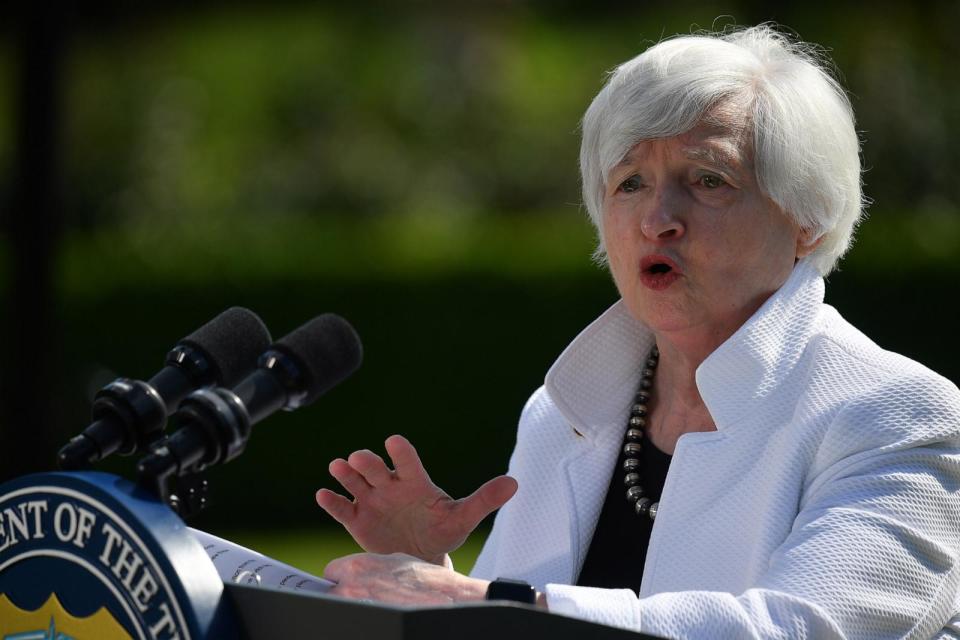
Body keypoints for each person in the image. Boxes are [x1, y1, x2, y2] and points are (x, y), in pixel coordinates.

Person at [315, 24, 960, 639]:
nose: (657, 219)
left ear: (807, 220)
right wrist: (428, 582)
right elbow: (508, 624)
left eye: (708, 179)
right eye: (630, 183)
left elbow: (798, 629)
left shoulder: (902, 417)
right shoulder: (563, 415)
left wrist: (497, 605)